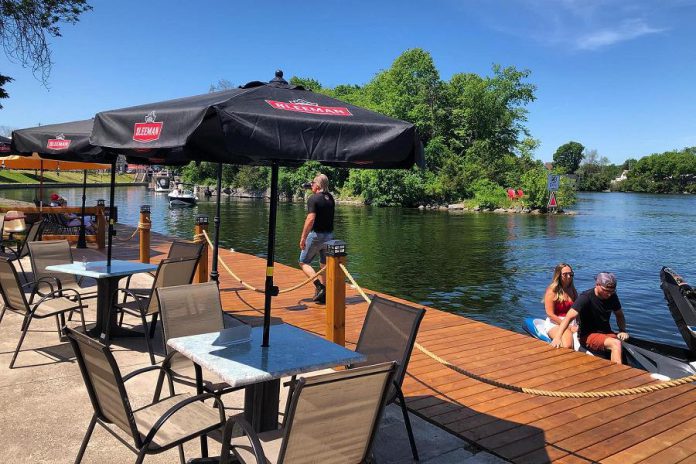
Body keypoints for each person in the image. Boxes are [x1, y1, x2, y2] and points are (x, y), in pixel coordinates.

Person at [552, 272, 629, 364]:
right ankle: (618, 374)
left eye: (612, 291)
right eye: (606, 291)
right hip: (588, 335)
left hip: (606, 333)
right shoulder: (585, 297)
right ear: (597, 284)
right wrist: (557, 337)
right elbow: (569, 317)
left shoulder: (612, 296)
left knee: (625, 343)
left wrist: (622, 330)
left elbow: (619, 314)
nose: (609, 294)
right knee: (616, 344)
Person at [299, 174, 335, 305]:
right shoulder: (330, 198)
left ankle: (319, 286)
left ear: (317, 185)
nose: (311, 185)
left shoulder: (313, 199)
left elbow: (310, 219)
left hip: (316, 236)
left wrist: (303, 237)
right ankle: (325, 294)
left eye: (313, 183)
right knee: (324, 265)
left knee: (303, 262)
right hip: (330, 236)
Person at [543, 263, 578, 349]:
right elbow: (550, 314)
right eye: (565, 274)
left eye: (571, 274)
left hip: (571, 322)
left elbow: (578, 308)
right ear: (558, 275)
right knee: (568, 344)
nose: (569, 276)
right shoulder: (552, 291)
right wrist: (568, 327)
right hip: (555, 322)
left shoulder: (572, 289)